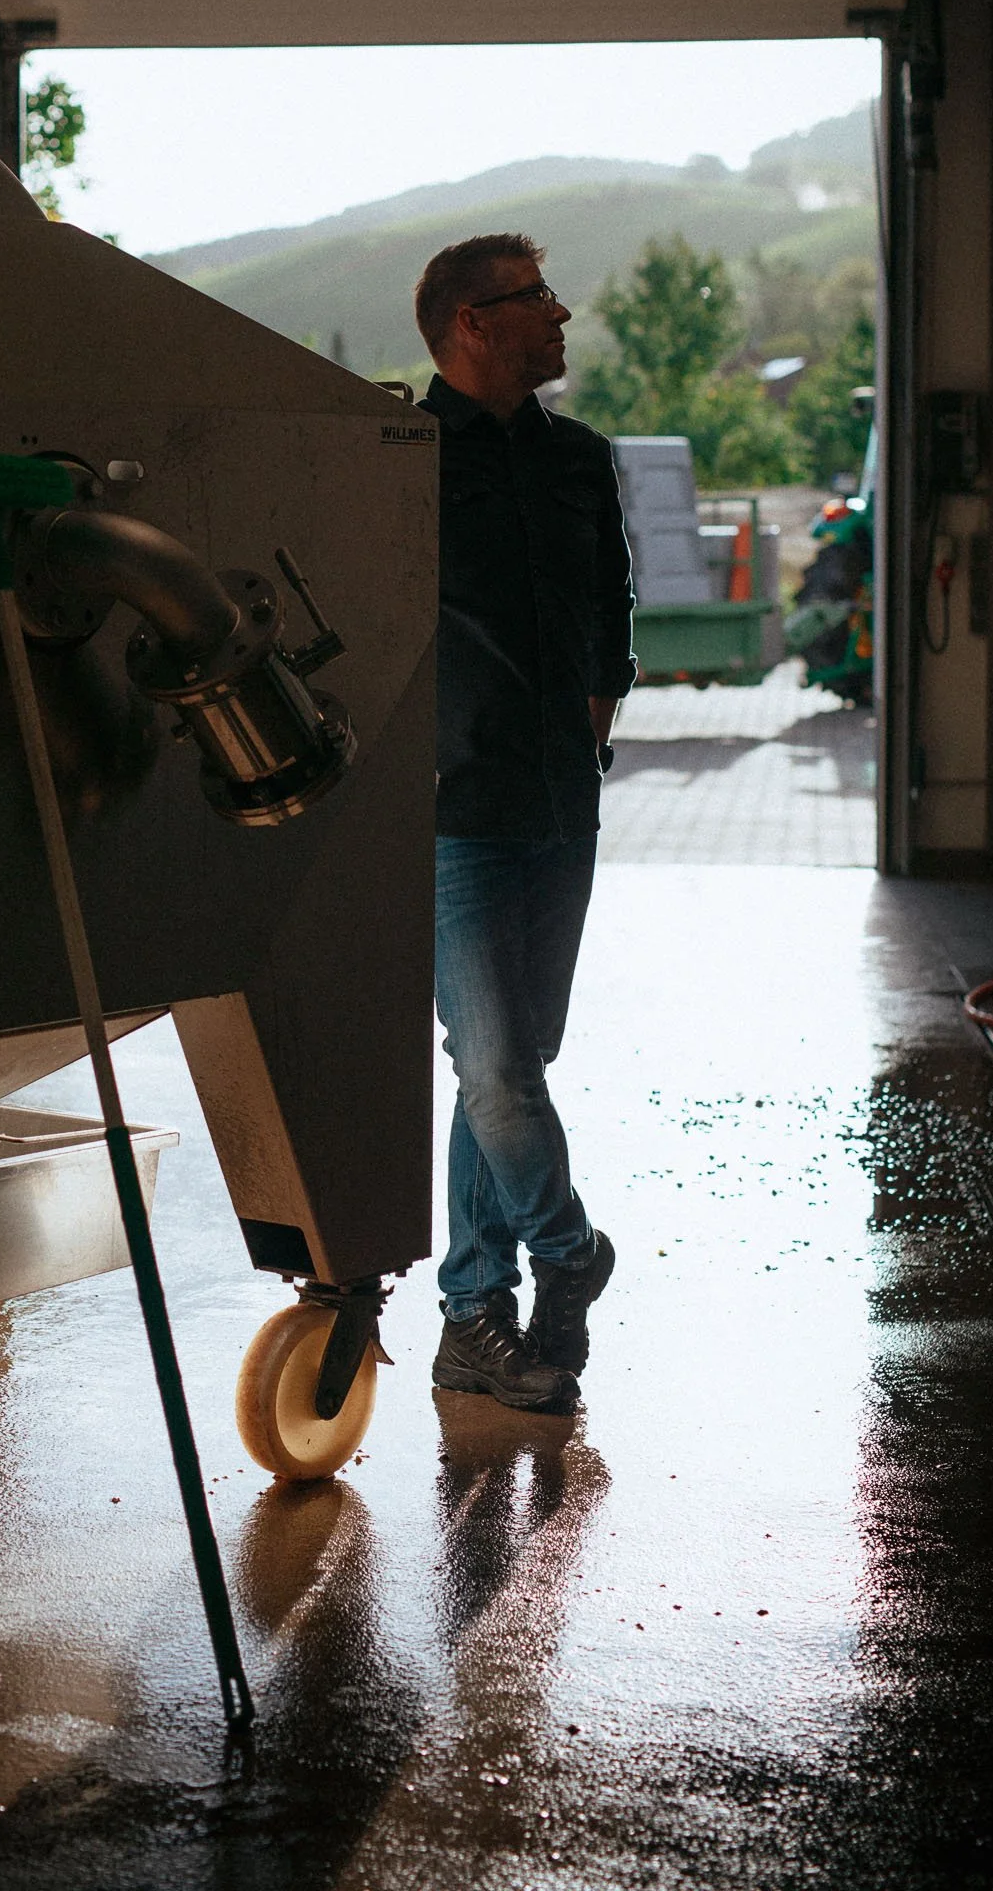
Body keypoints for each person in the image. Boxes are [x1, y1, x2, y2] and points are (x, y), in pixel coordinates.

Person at [417, 232, 635, 1410]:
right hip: (455, 810)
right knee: (495, 1067)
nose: (560, 314)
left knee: (507, 1069)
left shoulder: (579, 458)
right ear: (471, 323)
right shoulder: (398, 459)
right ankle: (570, 1251)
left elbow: (609, 599)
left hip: (563, 800)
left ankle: (473, 1314)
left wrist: (604, 696)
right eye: (535, 297)